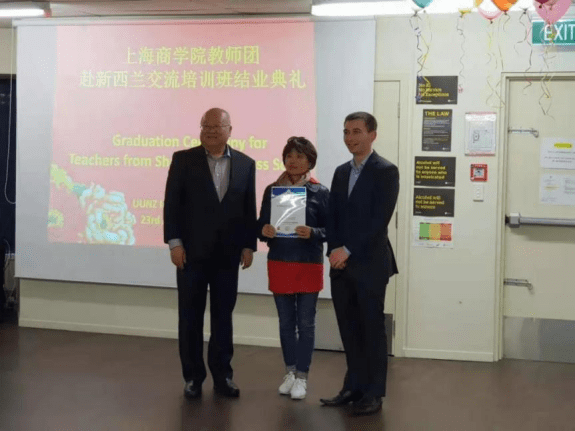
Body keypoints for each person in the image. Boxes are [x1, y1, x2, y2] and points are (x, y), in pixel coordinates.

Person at [163, 108, 257, 399]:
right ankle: (193, 377)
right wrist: (175, 243)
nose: (211, 131)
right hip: (190, 254)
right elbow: (172, 204)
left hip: (227, 256)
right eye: (206, 126)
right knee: (190, 317)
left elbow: (248, 208)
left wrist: (248, 245)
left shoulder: (246, 164)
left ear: (230, 129)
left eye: (217, 126)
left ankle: (223, 376)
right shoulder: (183, 159)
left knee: (223, 318)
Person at [320, 112, 399, 416]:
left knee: (371, 329)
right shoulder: (341, 172)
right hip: (340, 265)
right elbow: (333, 216)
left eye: (356, 131)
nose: (350, 138)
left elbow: (379, 221)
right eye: (346, 132)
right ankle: (352, 387)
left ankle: (373, 393)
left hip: (370, 264)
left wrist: (348, 250)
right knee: (349, 330)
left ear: (372, 135)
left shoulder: (386, 171)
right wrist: (333, 251)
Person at [258, 137, 329, 400]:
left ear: (310, 161)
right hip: (280, 262)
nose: (293, 161)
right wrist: (264, 230)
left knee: (306, 324)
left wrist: (313, 232)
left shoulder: (320, 192)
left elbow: (332, 230)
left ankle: (302, 376)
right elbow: (260, 225)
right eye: (289, 155)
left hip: (308, 263)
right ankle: (289, 372)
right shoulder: (272, 190)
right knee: (286, 323)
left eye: (300, 156)